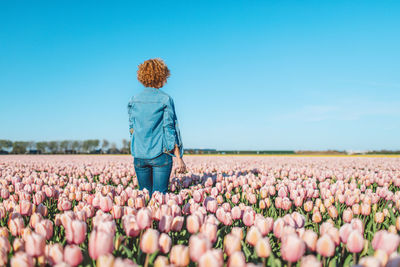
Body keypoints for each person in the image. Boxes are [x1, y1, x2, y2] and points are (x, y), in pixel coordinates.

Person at [127, 58, 186, 195]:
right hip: (160, 155)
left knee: (144, 197)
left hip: (139, 155)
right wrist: (178, 157)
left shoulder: (133, 100)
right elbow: (169, 129)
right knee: (159, 199)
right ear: (160, 75)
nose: (166, 80)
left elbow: (132, 129)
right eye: (165, 76)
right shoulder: (165, 99)